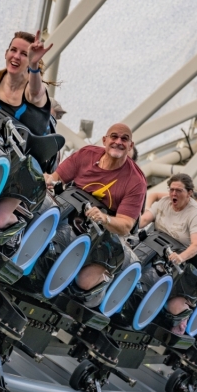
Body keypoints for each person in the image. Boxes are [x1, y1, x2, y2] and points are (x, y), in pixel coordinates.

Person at [45, 123, 146, 289]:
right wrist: (48, 180)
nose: (118, 142)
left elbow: (126, 225)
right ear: (105, 140)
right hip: (70, 210)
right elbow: (56, 179)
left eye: (124, 139)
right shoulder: (87, 154)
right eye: (114, 137)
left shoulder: (136, 181)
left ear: (130, 146)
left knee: (84, 283)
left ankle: (103, 283)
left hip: (104, 229)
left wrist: (105, 218)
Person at [139, 174, 197, 264]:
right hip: (158, 249)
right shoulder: (164, 202)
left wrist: (180, 257)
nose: (174, 193)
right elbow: (144, 220)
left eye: (179, 190)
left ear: (189, 193)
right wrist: (128, 225)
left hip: (187, 261)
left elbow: (196, 245)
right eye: (171, 189)